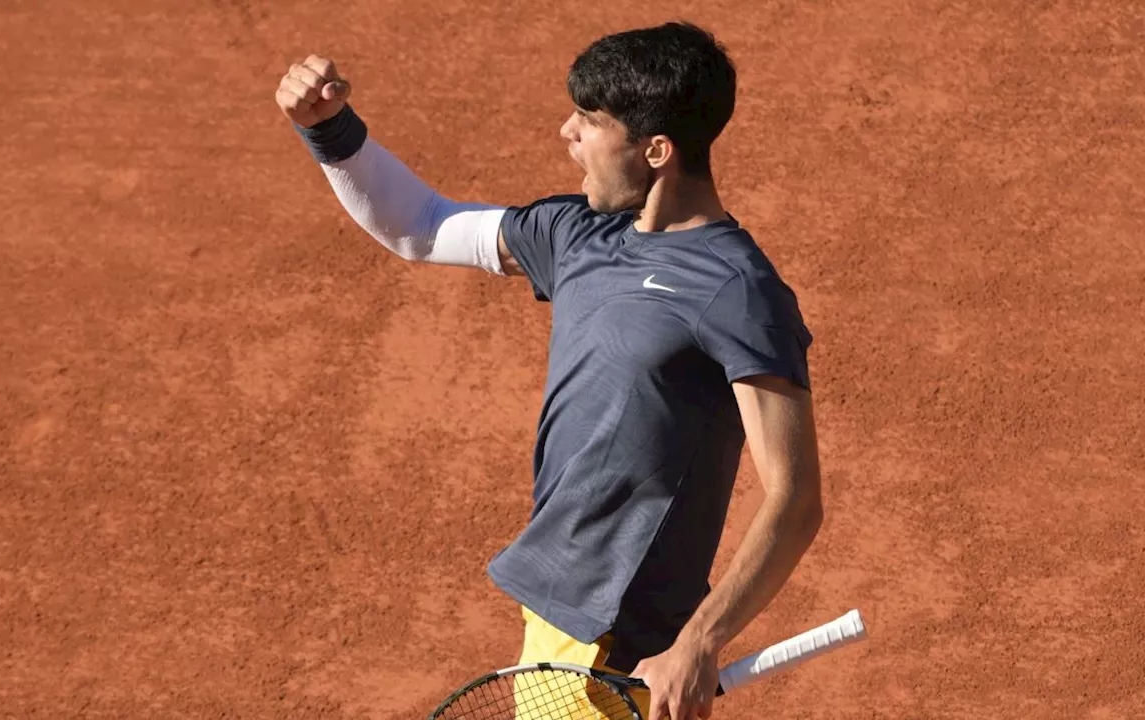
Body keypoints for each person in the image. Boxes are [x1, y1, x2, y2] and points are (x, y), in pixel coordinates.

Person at [276, 21, 824, 720]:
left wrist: (700, 641)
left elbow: (796, 495)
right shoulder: (578, 235)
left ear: (655, 150)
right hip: (560, 616)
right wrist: (330, 130)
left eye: (591, 121)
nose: (567, 132)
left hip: (616, 636)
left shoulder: (736, 290)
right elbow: (419, 224)